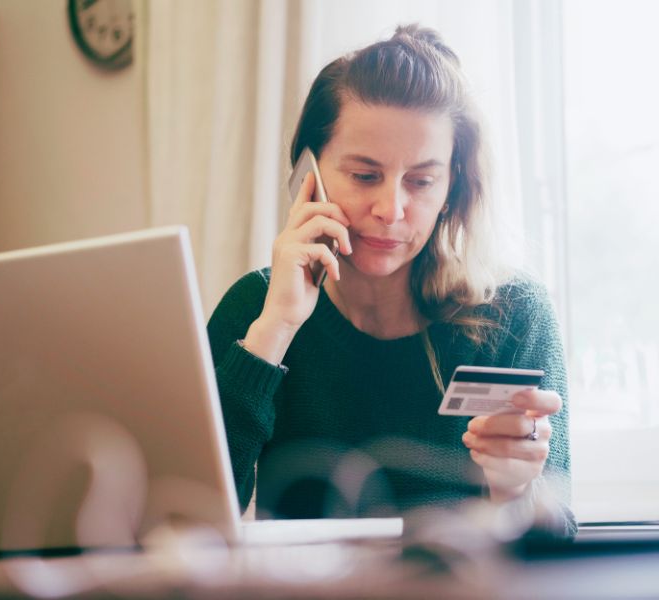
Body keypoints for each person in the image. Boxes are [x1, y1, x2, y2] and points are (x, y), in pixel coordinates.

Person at [207, 24, 576, 536]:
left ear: (451, 188)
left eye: (421, 181)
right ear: (307, 175)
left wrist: (517, 494)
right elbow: (189, 519)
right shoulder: (256, 308)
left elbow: (556, 547)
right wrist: (275, 330)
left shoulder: (513, 315)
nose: (391, 209)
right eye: (364, 176)